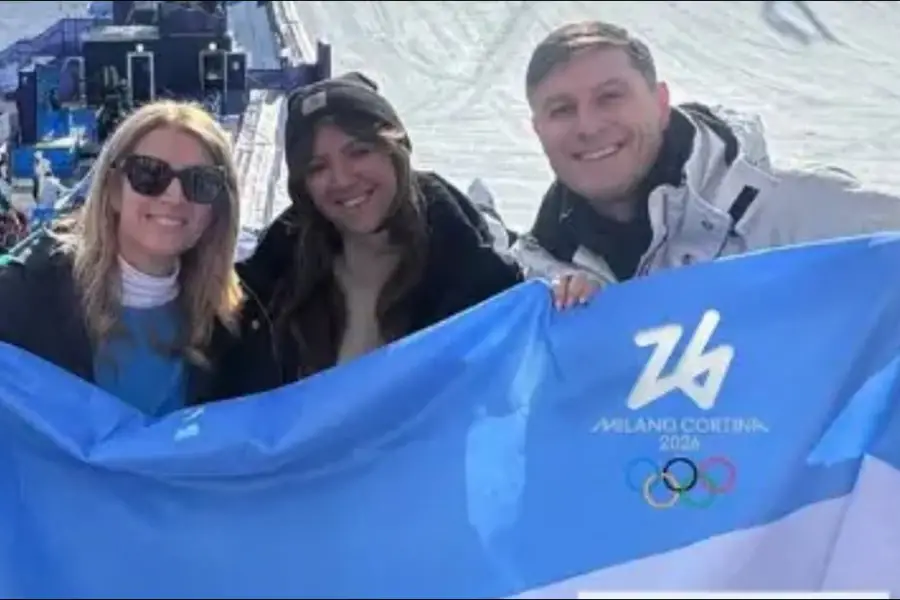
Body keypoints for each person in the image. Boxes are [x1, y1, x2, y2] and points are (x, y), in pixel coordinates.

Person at [512, 20, 900, 298]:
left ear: (661, 103)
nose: (588, 125)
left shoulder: (798, 216)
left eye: (610, 97)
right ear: (539, 130)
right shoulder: (539, 283)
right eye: (561, 109)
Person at [213, 72, 527, 399]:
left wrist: (573, 300)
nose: (342, 179)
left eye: (359, 152)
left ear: (395, 149)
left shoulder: (471, 275)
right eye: (318, 167)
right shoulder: (276, 280)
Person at [0, 100, 244, 417]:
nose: (174, 197)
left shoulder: (229, 325)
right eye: (149, 174)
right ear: (113, 188)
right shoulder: (26, 297)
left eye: (201, 181)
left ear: (218, 208)